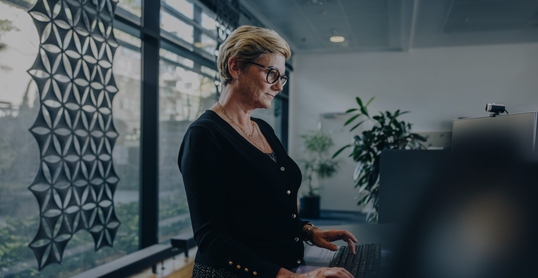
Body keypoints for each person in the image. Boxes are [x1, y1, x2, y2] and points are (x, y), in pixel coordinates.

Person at [178, 26, 358, 278]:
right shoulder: (204, 135)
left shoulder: (262, 128)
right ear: (235, 67)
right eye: (271, 74)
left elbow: (260, 212)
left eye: (281, 77)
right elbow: (211, 237)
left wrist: (306, 231)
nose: (278, 86)